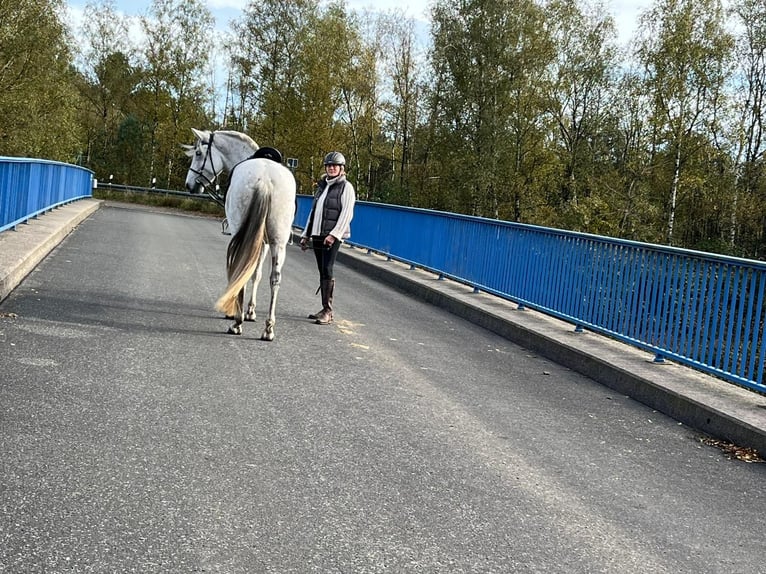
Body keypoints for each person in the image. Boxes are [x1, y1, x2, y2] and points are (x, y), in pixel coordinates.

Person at [300, 151, 356, 325]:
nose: (331, 168)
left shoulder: (346, 187)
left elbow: (347, 214)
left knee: (328, 269)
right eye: (329, 165)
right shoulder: (322, 186)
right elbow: (313, 212)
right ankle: (324, 308)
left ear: (341, 168)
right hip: (317, 234)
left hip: (331, 236)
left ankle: (328, 311)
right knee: (322, 270)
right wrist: (305, 235)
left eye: (335, 166)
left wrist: (334, 235)